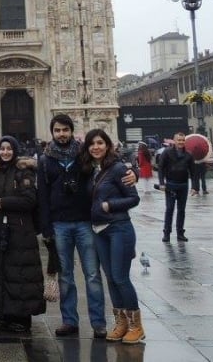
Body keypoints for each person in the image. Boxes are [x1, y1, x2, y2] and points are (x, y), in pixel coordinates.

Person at [37, 114, 108, 338]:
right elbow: (42, 197)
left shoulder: (84, 156)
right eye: (57, 130)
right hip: (59, 225)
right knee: (65, 276)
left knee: (93, 275)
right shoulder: (45, 160)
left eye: (65, 130)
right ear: (52, 133)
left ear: (71, 131)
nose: (61, 134)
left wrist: (132, 174)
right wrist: (46, 228)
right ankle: (69, 321)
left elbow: (109, 168)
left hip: (85, 222)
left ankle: (98, 323)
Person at [82, 129, 142, 344]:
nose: (95, 147)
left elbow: (134, 199)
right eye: (92, 144)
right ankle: (121, 323)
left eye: (100, 143)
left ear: (107, 145)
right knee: (110, 277)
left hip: (118, 228)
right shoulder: (90, 170)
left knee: (120, 277)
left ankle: (136, 325)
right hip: (99, 230)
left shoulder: (117, 168)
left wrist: (109, 205)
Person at [0, 136, 45, 333]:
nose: (5, 152)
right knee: (1, 271)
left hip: (20, 230)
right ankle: (6, 314)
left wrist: (4, 202)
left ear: (15, 150)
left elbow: (29, 200)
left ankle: (22, 317)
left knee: (21, 273)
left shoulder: (23, 171)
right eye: (2, 149)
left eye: (9, 149)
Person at [158, 133, 194, 242]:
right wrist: (161, 183)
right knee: (169, 209)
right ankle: (167, 233)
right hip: (170, 184)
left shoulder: (188, 154)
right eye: (179, 140)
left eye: (183, 140)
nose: (181, 142)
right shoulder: (167, 152)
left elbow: (193, 171)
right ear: (174, 141)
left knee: (181, 210)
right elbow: (160, 168)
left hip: (183, 185)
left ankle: (180, 233)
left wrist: (195, 187)